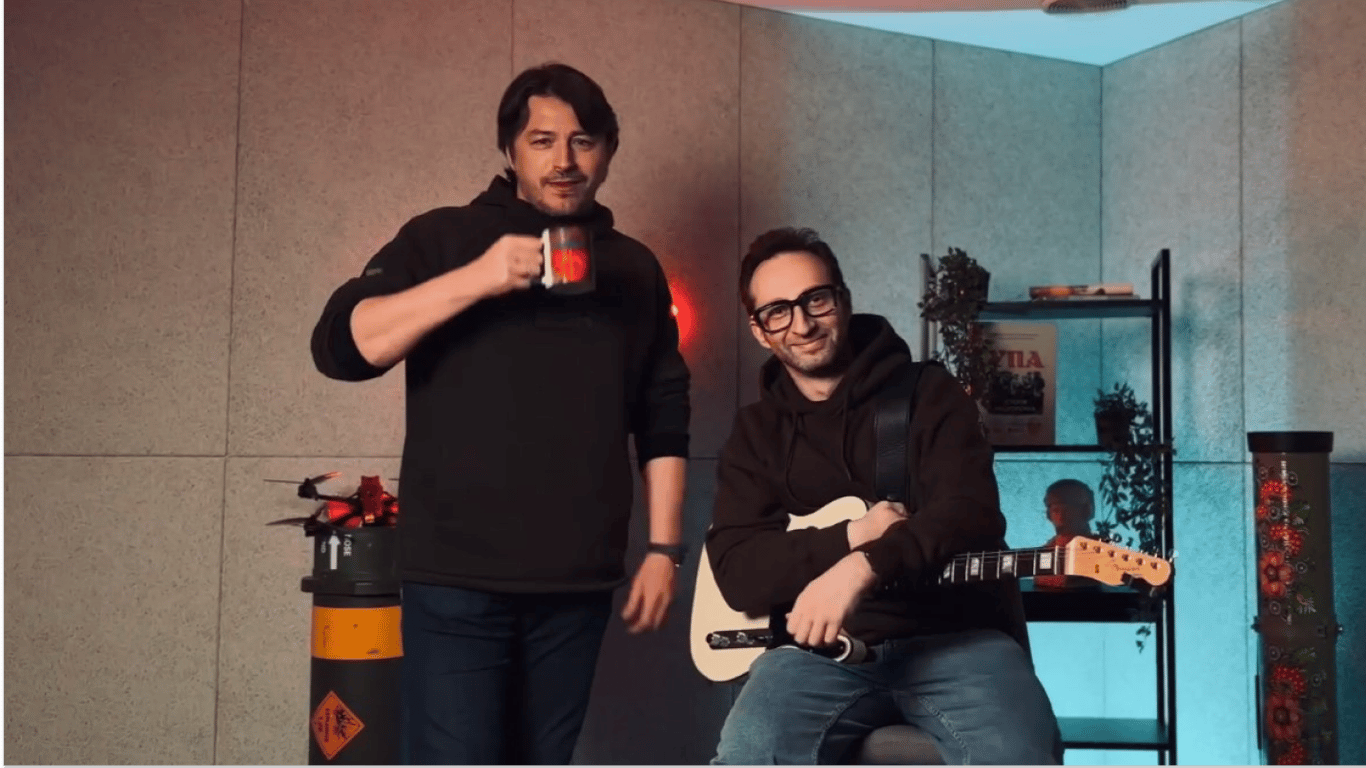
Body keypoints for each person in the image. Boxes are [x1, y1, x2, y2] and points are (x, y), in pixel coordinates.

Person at [309, 62, 691, 765]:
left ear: (609, 150)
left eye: (583, 141)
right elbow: (342, 347)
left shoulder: (635, 268)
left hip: (577, 583)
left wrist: (665, 552)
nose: (564, 160)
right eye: (542, 140)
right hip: (455, 577)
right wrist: (478, 277)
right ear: (509, 150)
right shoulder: (441, 238)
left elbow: (663, 413)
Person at [706, 227, 1063, 765]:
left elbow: (969, 514)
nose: (802, 324)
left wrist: (864, 567)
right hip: (814, 656)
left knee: (1020, 755)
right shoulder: (756, 433)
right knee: (749, 754)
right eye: (778, 311)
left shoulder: (929, 393)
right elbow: (738, 570)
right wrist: (851, 537)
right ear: (759, 330)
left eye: (816, 300)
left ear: (843, 300)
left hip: (957, 642)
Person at [1035, 479, 1098, 590]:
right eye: (1055, 509)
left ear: (1087, 510)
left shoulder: (1099, 550)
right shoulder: (1047, 550)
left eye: (1067, 509)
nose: (1061, 516)